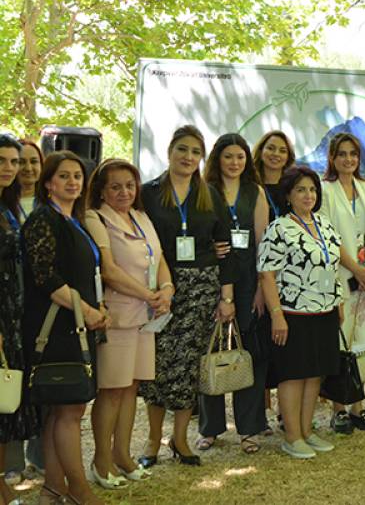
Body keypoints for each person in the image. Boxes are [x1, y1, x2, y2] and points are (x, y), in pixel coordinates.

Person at [137, 125, 237, 468]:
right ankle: (152, 441)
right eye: (182, 149)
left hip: (201, 289)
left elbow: (225, 251)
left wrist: (227, 298)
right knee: (157, 367)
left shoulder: (211, 195)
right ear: (169, 151)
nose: (188, 157)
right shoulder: (147, 193)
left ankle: (180, 440)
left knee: (189, 368)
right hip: (159, 289)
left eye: (195, 152)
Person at [22, 151, 110, 505]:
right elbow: (45, 277)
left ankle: (52, 489)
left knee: (64, 410)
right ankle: (79, 491)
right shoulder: (43, 220)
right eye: (64, 176)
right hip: (57, 325)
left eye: (78, 176)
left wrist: (98, 308)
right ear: (48, 183)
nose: (73, 182)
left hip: (79, 321)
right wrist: (86, 310)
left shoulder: (77, 219)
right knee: (69, 410)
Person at [83, 160, 172, 488]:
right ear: (102, 190)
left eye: (129, 185)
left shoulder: (142, 216)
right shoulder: (95, 217)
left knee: (132, 388)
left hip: (146, 317)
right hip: (119, 316)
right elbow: (108, 269)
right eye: (115, 186)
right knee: (112, 391)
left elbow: (159, 259)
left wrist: (166, 290)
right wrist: (149, 295)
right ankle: (101, 460)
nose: (124, 192)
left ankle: (122, 454)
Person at [257, 166, 343, 459]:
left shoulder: (324, 224)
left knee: (314, 374)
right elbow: (267, 274)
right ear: (288, 195)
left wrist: (338, 303)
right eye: (301, 190)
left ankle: (307, 431)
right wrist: (277, 315)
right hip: (293, 314)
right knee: (293, 375)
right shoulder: (279, 227)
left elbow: (333, 268)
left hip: (325, 311)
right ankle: (292, 436)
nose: (308, 195)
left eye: (312, 190)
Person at [197, 134, 270, 454]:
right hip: (211, 280)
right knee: (210, 350)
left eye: (240, 156)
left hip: (247, 282)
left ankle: (249, 429)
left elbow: (262, 243)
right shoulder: (203, 191)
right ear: (217, 159)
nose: (235, 162)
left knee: (247, 353)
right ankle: (210, 428)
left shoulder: (256, 192)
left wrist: (259, 290)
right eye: (228, 156)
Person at [319, 132, 365, 434]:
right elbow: (327, 235)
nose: (348, 159)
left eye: (353, 154)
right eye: (342, 153)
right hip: (340, 277)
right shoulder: (324, 190)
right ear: (332, 157)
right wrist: (355, 268)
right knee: (340, 343)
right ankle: (339, 409)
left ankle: (360, 407)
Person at [0, 136, 41, 503]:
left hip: (12, 318)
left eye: (14, 161)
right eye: (3, 161)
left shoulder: (8, 206)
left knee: (4, 404)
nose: (10, 168)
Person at [252, 131, 296, 222]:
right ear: (261, 151)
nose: (276, 154)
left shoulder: (293, 188)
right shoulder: (250, 186)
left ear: (288, 156)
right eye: (271, 148)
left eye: (282, 151)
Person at [16, 140, 42, 218]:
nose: (28, 168)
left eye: (33, 161)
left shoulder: (52, 202)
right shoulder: (3, 204)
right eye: (21, 162)